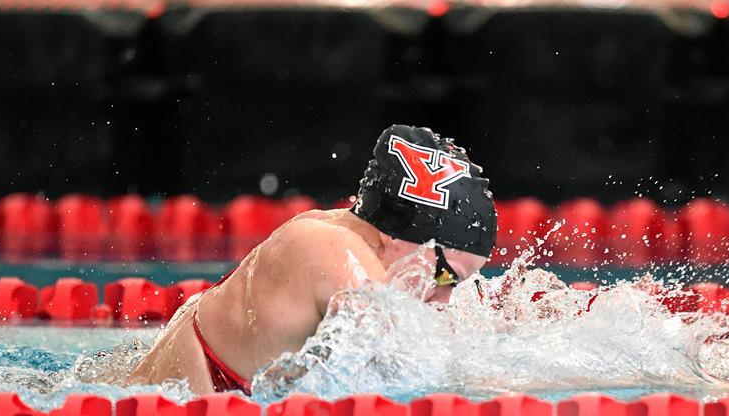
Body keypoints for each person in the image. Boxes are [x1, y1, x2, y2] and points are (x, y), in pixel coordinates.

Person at [129, 124, 498, 395]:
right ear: (397, 235)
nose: (444, 297)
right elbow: (421, 382)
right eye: (446, 275)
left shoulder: (320, 227)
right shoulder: (338, 253)